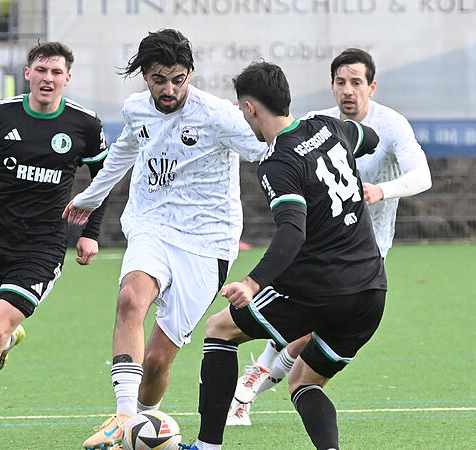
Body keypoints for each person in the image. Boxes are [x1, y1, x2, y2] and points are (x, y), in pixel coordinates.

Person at [62, 29, 266, 449]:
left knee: (156, 364)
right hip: (151, 224)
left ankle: (140, 423)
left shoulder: (219, 115)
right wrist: (89, 197)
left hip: (208, 244)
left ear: (190, 73)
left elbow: (270, 149)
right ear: (144, 75)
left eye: (178, 78)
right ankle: (123, 418)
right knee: (130, 299)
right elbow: (123, 152)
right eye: (159, 79)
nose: (169, 89)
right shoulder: (137, 109)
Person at [180, 60, 385, 450]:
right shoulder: (328, 126)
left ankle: (208, 446)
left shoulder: (278, 163)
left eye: (243, 109)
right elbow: (370, 138)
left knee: (219, 331)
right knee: (303, 382)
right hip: (371, 290)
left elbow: (293, 230)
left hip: (320, 289)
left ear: (250, 109)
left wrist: (252, 282)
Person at [227, 47, 432, 426]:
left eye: (356, 82)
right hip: (315, 249)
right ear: (332, 86)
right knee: (304, 332)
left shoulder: (392, 125)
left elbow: (423, 177)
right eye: (340, 83)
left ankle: (257, 375)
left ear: (372, 86)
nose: (348, 91)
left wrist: (381, 190)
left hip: (366, 250)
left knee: (306, 335)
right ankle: (256, 379)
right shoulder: (318, 122)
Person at [0, 41, 109, 448]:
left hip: (43, 247)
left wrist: (90, 233)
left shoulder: (85, 124)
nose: (48, 79)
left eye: (56, 72)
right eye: (41, 70)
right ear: (28, 73)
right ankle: (11, 335)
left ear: (68, 77)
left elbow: (103, 181)